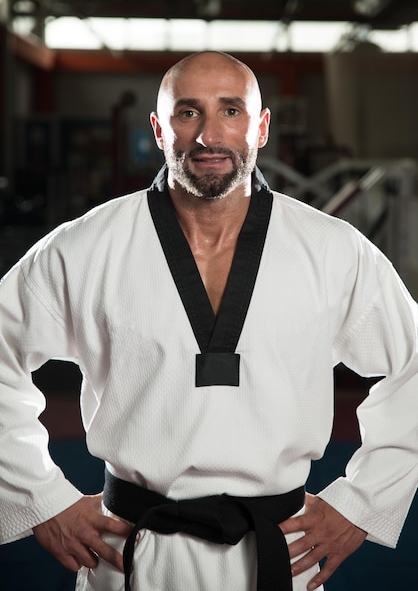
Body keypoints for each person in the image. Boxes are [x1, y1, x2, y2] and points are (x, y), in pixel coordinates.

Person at [0, 51, 417, 591]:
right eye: (188, 113)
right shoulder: (85, 247)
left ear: (262, 127)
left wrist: (362, 503)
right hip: (132, 552)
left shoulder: (334, 251)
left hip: (279, 553)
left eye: (232, 111)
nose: (208, 135)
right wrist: (40, 499)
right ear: (158, 128)